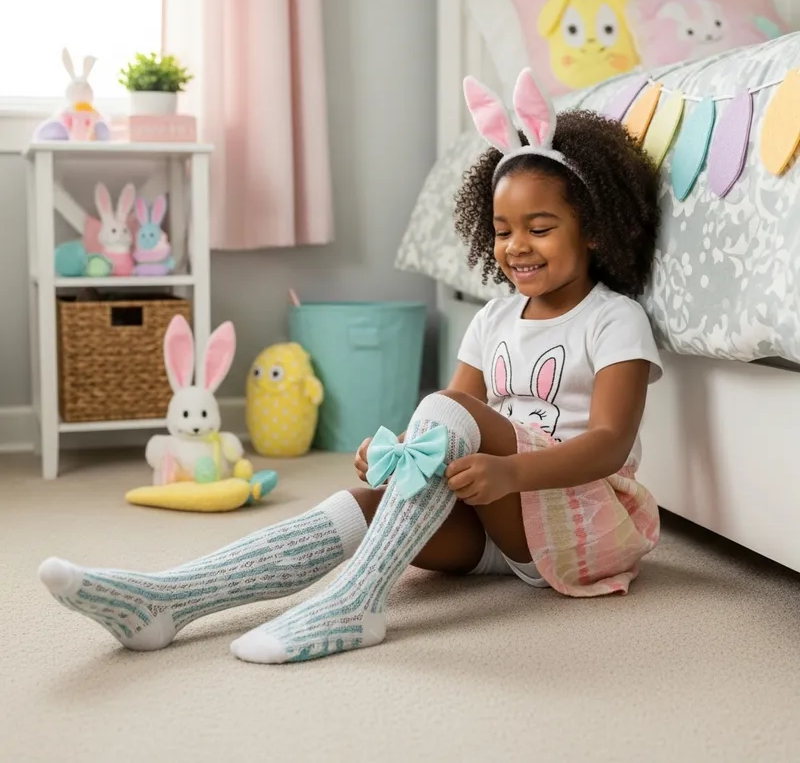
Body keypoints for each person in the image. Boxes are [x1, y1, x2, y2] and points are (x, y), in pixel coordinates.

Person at [37, 68, 663, 665]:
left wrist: (509, 471)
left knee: (444, 412)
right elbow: (448, 428)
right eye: (501, 231)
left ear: (595, 232)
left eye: (541, 227)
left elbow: (609, 445)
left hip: (580, 521)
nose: (516, 246)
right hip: (500, 523)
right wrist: (399, 455)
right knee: (365, 502)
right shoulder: (492, 320)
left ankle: (354, 605)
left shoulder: (613, 319)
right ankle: (168, 599)